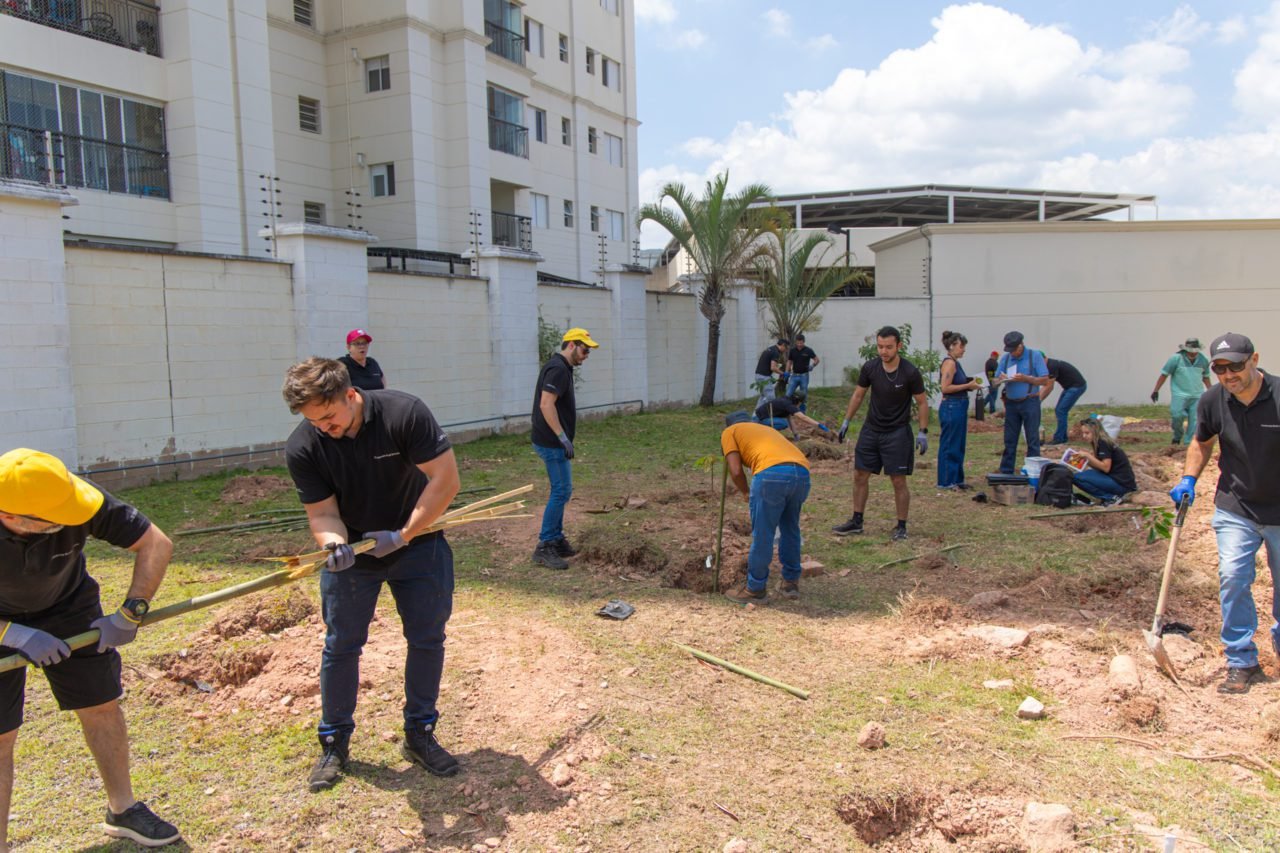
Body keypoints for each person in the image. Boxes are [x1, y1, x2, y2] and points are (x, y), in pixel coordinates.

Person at [282, 358, 462, 791]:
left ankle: (420, 733)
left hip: (419, 542)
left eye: (329, 417)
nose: (324, 427)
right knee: (341, 645)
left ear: (350, 394)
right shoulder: (304, 445)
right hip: (355, 557)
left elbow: (446, 480)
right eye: (313, 421)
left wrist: (403, 535)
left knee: (426, 638)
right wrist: (333, 544)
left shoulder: (404, 413)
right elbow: (323, 512)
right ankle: (334, 741)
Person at [0, 449, 180, 847]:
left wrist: (131, 612)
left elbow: (155, 543)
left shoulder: (72, 497)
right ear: (12, 518)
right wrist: (13, 634)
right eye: (59, 520)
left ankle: (123, 810)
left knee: (101, 705)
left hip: (67, 605)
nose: (75, 519)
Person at [1169, 332, 1280, 695]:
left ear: (1255, 359)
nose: (1229, 374)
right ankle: (1241, 660)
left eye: (1236, 365)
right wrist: (1188, 478)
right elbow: (1201, 441)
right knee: (1233, 577)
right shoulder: (1213, 400)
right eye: (1220, 368)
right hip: (1237, 506)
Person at [832, 326, 929, 541]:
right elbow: (858, 395)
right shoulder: (870, 368)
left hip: (897, 432)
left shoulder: (910, 372)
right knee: (859, 475)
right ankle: (856, 521)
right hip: (871, 429)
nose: (883, 351)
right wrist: (846, 421)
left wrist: (923, 432)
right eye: (880, 346)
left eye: (888, 347)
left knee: (898, 481)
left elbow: (922, 402)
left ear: (899, 346)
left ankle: (901, 526)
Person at [719, 412, 811, 602]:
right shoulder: (765, 429)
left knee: (763, 533)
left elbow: (735, 471)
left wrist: (745, 492)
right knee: (790, 528)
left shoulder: (730, 431)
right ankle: (790, 583)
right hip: (801, 473)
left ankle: (755, 588)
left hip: (771, 475)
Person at [531, 328, 599, 571]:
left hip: (552, 441)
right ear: (571, 345)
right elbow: (546, 403)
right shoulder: (558, 369)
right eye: (584, 349)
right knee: (561, 491)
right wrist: (562, 438)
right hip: (551, 442)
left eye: (588, 351)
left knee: (562, 490)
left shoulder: (561, 367)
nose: (586, 355)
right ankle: (545, 545)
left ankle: (556, 539)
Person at [995, 331, 1051, 474]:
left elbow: (1045, 379)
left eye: (1014, 350)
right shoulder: (1005, 359)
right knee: (1010, 439)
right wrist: (1000, 379)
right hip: (1012, 403)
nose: (1012, 353)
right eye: (1010, 351)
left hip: (1030, 401)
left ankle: (1033, 471)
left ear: (1021, 346)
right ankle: (1006, 470)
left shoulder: (1035, 356)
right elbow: (994, 381)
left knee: (1032, 438)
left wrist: (1027, 379)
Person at [1151, 338, 1212, 446]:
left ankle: (1188, 443)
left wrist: (1211, 392)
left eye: (1195, 351)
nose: (1193, 353)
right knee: (1176, 416)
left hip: (1197, 395)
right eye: (1190, 351)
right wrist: (1156, 390)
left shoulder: (1203, 360)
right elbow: (1164, 374)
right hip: (1179, 394)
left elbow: (1206, 377)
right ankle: (1177, 435)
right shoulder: (1176, 358)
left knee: (1195, 420)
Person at [937, 330, 978, 490]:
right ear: (952, 346)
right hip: (951, 407)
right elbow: (945, 387)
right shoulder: (949, 363)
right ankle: (946, 481)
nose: (963, 349)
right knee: (950, 444)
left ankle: (957, 479)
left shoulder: (956, 362)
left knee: (958, 443)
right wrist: (968, 385)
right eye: (961, 346)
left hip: (959, 406)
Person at [1070, 418, 1137, 503]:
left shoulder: (1103, 443)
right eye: (1083, 433)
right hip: (1119, 481)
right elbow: (1100, 467)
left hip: (1122, 484)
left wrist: (1088, 456)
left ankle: (1111, 498)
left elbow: (1105, 468)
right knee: (1078, 475)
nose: (1084, 436)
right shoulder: (1098, 442)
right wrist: (1085, 461)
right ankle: (1111, 496)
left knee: (1076, 478)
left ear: (1095, 431)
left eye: (1087, 433)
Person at [1040, 356, 1088, 445]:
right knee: (1060, 410)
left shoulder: (1051, 366)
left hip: (1076, 387)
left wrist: (1038, 400)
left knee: (1061, 410)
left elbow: (1049, 387)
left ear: (1044, 359)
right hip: (1070, 387)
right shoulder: (1050, 364)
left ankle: (1059, 438)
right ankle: (1063, 437)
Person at [753, 393, 832, 439]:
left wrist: (796, 434)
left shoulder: (786, 400)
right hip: (759, 419)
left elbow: (790, 419)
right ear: (799, 402)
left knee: (784, 422)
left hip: (760, 416)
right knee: (783, 423)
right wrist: (818, 424)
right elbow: (803, 417)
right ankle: (767, 435)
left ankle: (768, 433)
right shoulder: (788, 404)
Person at [785, 334, 820, 411]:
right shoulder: (792, 350)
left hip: (804, 376)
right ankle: (786, 411)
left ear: (804, 342)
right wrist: (786, 372)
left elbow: (817, 360)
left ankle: (802, 412)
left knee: (803, 395)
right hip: (794, 376)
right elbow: (789, 361)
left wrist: (812, 366)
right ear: (795, 342)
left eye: (801, 343)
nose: (799, 345)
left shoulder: (808, 350)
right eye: (798, 343)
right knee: (788, 394)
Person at [753, 339, 789, 407]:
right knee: (771, 397)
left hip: (759, 375)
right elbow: (773, 367)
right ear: (783, 345)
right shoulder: (776, 352)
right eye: (786, 348)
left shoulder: (770, 349)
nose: (785, 350)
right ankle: (769, 415)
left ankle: (756, 415)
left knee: (763, 396)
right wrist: (783, 373)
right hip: (764, 377)